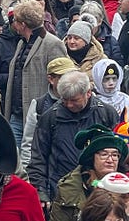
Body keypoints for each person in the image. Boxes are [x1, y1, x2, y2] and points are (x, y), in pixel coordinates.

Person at [28, 70, 118, 205]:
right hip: (61, 190)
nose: (69, 104)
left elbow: (119, 153)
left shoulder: (106, 113)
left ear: (88, 93)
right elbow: (38, 157)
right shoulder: (50, 117)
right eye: (65, 100)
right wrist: (41, 192)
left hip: (100, 189)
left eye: (74, 100)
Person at [48, 125, 129, 221]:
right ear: (91, 158)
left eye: (115, 155)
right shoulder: (69, 189)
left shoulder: (125, 188)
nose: (110, 160)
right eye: (104, 154)